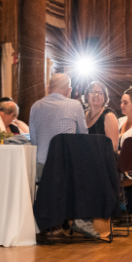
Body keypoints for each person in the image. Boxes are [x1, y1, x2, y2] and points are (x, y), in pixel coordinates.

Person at [30, 73, 93, 238]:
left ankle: (53, 223)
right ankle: (79, 218)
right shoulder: (75, 105)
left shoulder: (36, 106)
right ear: (69, 90)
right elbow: (83, 136)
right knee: (87, 170)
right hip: (66, 168)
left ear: (48, 88)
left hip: (42, 166)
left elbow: (34, 139)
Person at [84, 81, 119, 155]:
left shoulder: (109, 115)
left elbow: (114, 147)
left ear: (105, 98)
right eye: (92, 92)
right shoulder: (83, 114)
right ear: (87, 95)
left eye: (100, 93)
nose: (96, 95)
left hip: (102, 160)